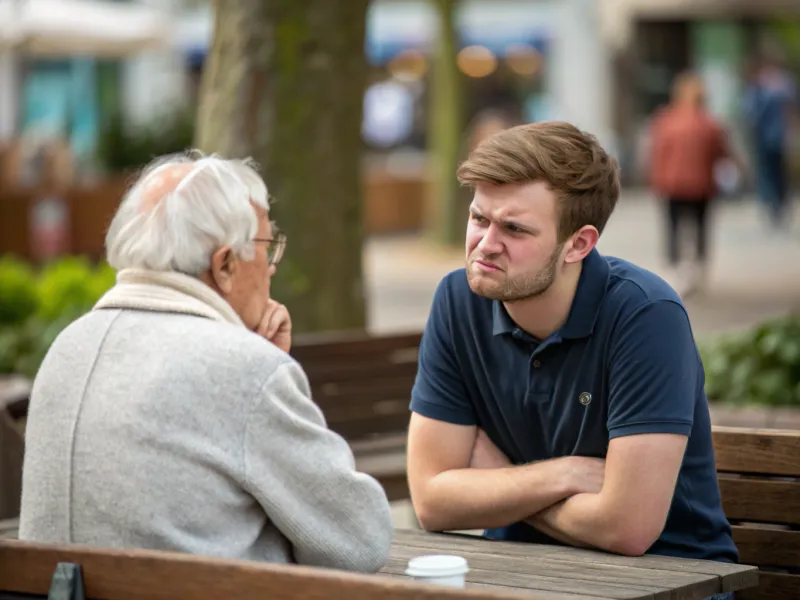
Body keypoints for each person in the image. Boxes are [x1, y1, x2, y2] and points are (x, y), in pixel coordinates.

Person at [19, 151, 393, 573]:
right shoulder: (244, 369)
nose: (271, 270)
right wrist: (258, 364)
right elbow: (361, 540)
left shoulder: (68, 347)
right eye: (267, 249)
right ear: (226, 264)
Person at [406, 122, 738, 581]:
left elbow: (628, 529)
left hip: (669, 579)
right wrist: (563, 475)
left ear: (578, 244)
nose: (485, 245)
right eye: (479, 218)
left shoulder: (645, 314)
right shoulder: (458, 299)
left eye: (514, 229)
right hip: (518, 575)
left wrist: (503, 484)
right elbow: (431, 501)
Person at [649, 71, 743, 297]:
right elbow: (722, 153)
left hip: (671, 185)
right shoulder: (710, 123)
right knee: (700, 227)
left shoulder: (665, 121)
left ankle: (675, 269)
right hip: (702, 185)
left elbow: (656, 154)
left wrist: (656, 179)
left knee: (673, 227)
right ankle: (697, 269)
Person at [742, 57, 798, 230]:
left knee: (776, 172)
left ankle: (777, 204)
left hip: (776, 138)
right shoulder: (758, 89)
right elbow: (749, 112)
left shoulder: (780, 87)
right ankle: (772, 204)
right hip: (766, 138)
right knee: (768, 172)